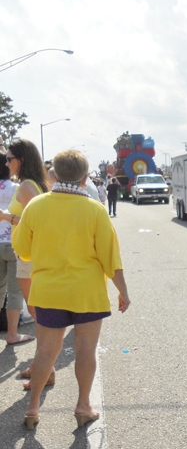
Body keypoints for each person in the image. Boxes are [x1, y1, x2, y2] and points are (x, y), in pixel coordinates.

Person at [12, 150, 131, 430]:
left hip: (48, 291)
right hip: (86, 292)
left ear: (54, 173)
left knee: (45, 351)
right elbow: (110, 258)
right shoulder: (95, 210)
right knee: (86, 351)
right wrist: (123, 291)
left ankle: (32, 409)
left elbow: (23, 250)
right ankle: (82, 406)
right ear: (84, 178)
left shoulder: (37, 205)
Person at [0, 139, 48, 321]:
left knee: (36, 309)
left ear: (21, 159)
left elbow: (35, 224)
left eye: (9, 159)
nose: (6, 163)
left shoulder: (27, 186)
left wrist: (6, 217)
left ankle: (46, 349)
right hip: (27, 252)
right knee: (37, 308)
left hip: (28, 253)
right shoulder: (32, 184)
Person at [0, 153, 30, 345]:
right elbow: (26, 218)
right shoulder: (17, 188)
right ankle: (12, 334)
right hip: (12, 242)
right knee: (14, 290)